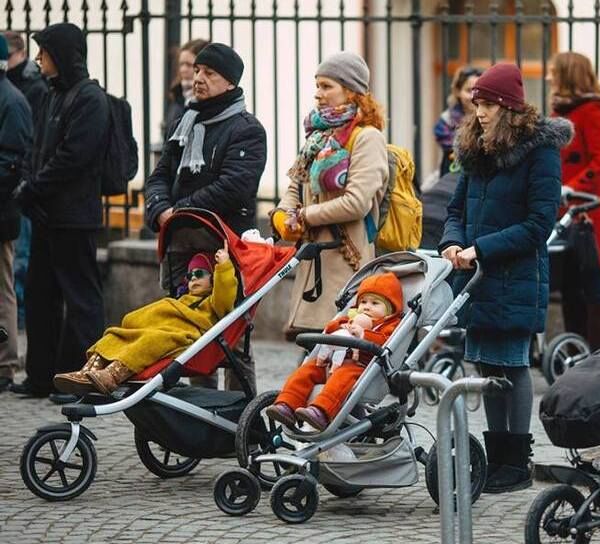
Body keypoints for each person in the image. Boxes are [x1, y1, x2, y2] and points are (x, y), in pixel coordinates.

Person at [440, 63, 570, 494]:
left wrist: (482, 249)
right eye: (477, 102)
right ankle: (497, 461)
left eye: (489, 103)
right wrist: (453, 244)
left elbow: (539, 224)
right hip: (476, 277)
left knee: (512, 366)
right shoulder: (476, 150)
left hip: (515, 275)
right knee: (485, 364)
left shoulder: (540, 151)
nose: (480, 110)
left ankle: (517, 463)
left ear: (509, 107)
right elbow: (455, 209)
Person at [144, 42, 265, 390]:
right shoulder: (184, 122)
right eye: (197, 70)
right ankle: (201, 421)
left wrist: (179, 212)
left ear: (229, 82)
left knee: (233, 339)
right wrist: (160, 210)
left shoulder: (247, 129)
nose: (197, 78)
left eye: (208, 73)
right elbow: (159, 176)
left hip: (225, 250)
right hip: (181, 245)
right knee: (188, 334)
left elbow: (235, 186)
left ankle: (240, 421)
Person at [10, 23, 109, 398]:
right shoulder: (53, 95)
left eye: (45, 53)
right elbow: (41, 149)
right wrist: (32, 188)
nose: (38, 60)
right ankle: (42, 375)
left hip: (75, 216)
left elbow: (73, 157)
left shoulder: (89, 99)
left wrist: (34, 186)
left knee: (81, 300)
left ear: (63, 55)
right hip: (48, 214)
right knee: (40, 296)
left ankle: (81, 379)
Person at [272, 51, 389, 351]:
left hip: (346, 262)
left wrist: (306, 216)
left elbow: (356, 203)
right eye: (318, 85)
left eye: (327, 86)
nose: (318, 94)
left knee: (340, 346)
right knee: (314, 349)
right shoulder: (318, 136)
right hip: (315, 261)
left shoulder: (366, 138)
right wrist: (285, 214)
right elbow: (296, 184)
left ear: (351, 91)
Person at [52, 243, 237, 395]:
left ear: (213, 278)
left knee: (150, 341)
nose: (193, 279)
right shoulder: (183, 299)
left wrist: (224, 267)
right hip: (164, 330)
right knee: (116, 335)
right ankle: (88, 372)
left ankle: (112, 375)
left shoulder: (212, 303)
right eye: (189, 276)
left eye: (199, 274)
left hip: (183, 337)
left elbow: (225, 297)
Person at [265, 271, 402, 431]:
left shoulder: (389, 326)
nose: (366, 306)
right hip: (330, 363)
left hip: (360, 368)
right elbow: (330, 328)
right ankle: (287, 404)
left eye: (375, 303)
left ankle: (321, 412)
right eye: (363, 301)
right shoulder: (350, 319)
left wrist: (364, 334)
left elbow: (386, 342)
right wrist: (341, 325)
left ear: (390, 310)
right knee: (306, 371)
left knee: (342, 378)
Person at [547, 51, 600, 350]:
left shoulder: (591, 110)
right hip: (561, 206)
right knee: (569, 285)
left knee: (590, 282)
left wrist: (572, 187)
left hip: (586, 207)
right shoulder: (559, 111)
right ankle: (574, 347)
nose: (549, 76)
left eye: (553, 71)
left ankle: (596, 348)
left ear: (567, 75)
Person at [4, 31, 47, 333]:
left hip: (10, 202)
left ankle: (6, 362)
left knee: (13, 273)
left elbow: (15, 158)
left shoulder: (18, 96)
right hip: (13, 198)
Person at [0, 35, 34, 391]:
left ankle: (5, 363)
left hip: (3, 211)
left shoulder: (11, 100)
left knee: (3, 288)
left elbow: (13, 162)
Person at [433, 65, 481, 177]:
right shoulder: (446, 120)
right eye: (468, 90)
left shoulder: (491, 118)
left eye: (477, 91)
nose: (473, 96)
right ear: (458, 91)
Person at [164, 38, 208, 133]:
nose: (183, 70)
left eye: (189, 65)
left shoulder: (208, 99)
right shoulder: (178, 94)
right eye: (181, 64)